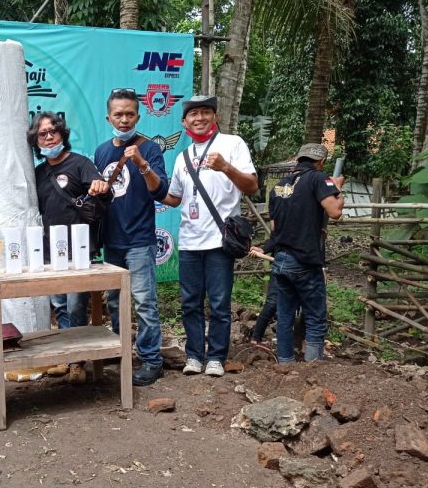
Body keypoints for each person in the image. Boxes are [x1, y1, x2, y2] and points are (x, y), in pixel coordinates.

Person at [163, 95, 258, 377]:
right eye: (193, 114)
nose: (200, 118)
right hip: (189, 241)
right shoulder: (182, 157)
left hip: (220, 241)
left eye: (206, 112)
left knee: (219, 303)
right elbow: (173, 197)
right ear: (184, 122)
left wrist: (226, 167)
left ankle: (216, 356)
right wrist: (145, 178)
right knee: (190, 302)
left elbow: (252, 186)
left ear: (214, 117)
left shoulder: (232, 144)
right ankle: (194, 355)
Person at [26, 111, 110, 383]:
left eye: (53, 131)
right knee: (59, 305)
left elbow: (103, 193)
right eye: (42, 134)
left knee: (76, 305)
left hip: (79, 251)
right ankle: (66, 356)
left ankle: (78, 361)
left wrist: (101, 186)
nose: (49, 137)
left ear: (63, 134)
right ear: (36, 141)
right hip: (49, 250)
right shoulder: (38, 173)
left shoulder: (80, 163)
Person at [94, 88, 169, 387]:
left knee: (144, 302)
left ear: (138, 116)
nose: (124, 120)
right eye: (118, 114)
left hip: (139, 239)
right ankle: (121, 349)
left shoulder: (150, 149)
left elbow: (160, 191)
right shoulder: (101, 152)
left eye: (129, 114)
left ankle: (152, 360)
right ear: (108, 118)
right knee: (114, 300)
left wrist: (142, 164)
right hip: (111, 240)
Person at [254, 143, 344, 363]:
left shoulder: (278, 187)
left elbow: (275, 230)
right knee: (315, 318)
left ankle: (285, 363)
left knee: (285, 316)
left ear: (297, 159)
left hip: (281, 261)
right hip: (305, 261)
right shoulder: (319, 178)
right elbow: (335, 212)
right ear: (320, 162)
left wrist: (264, 248)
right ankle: (312, 366)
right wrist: (337, 188)